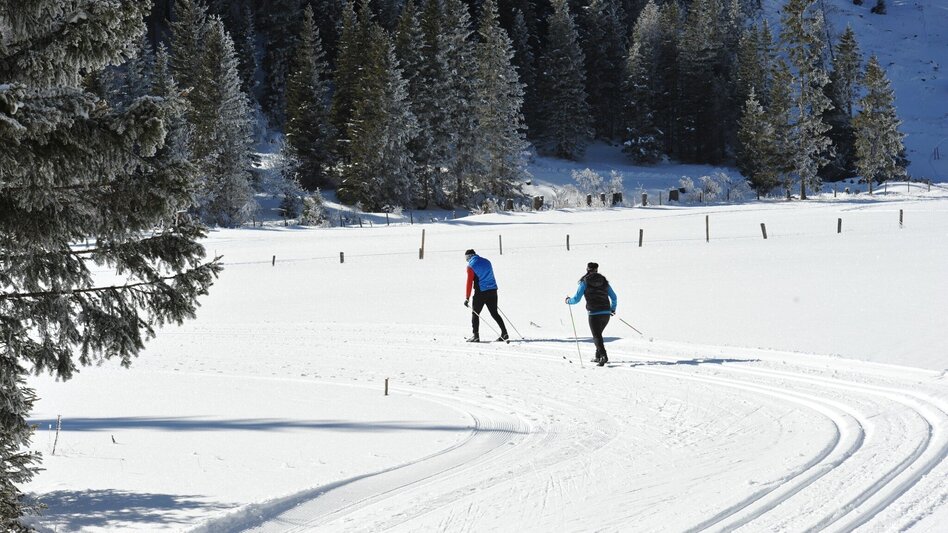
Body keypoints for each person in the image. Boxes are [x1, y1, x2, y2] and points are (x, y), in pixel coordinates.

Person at [565, 262, 617, 366]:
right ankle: (598, 356)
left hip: (594, 313)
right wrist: (612, 309)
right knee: (598, 335)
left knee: (596, 335)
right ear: (597, 269)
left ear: (587, 269)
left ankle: (603, 356)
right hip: (606, 313)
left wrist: (568, 301)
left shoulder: (584, 282)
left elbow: (576, 299)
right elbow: (614, 297)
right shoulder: (604, 281)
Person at [464, 249, 508, 342]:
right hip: (493, 290)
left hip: (481, 292)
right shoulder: (487, 261)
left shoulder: (470, 266)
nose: (466, 260)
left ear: (469, 257)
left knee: (475, 313)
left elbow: (469, 283)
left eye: (466, 258)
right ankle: (504, 333)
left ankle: (476, 336)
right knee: (494, 313)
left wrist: (467, 297)